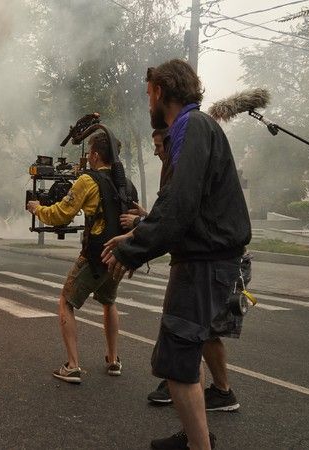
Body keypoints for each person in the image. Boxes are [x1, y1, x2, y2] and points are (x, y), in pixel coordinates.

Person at [102, 59, 251, 450]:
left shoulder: (192, 126)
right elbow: (175, 202)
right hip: (203, 258)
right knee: (187, 349)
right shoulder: (188, 128)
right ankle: (194, 437)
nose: (147, 99)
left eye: (149, 91)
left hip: (204, 262)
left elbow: (181, 205)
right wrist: (139, 235)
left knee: (177, 357)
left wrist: (133, 250)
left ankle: (199, 446)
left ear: (161, 91)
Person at [26, 131, 136, 384]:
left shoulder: (87, 180)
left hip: (95, 254)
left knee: (66, 301)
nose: (87, 157)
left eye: (88, 152)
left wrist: (37, 208)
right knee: (109, 301)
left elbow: (61, 214)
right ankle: (113, 359)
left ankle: (73, 365)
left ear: (95, 155)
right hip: (117, 255)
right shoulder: (127, 183)